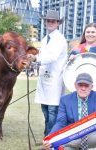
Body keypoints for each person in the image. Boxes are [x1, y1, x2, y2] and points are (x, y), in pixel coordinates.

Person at [34, 9, 67, 143]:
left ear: (58, 23)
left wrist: (36, 59)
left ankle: (50, 138)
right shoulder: (44, 39)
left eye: (53, 21)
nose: (50, 23)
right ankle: (49, 135)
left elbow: (52, 57)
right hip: (44, 80)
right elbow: (42, 56)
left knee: (53, 111)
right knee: (46, 110)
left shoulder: (60, 39)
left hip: (55, 80)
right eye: (48, 21)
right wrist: (34, 59)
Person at [43, 73, 96, 150]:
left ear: (92, 87)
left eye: (86, 85)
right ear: (75, 85)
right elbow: (61, 122)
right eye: (80, 85)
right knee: (56, 146)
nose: (83, 88)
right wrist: (50, 138)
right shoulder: (65, 100)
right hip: (73, 137)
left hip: (93, 137)